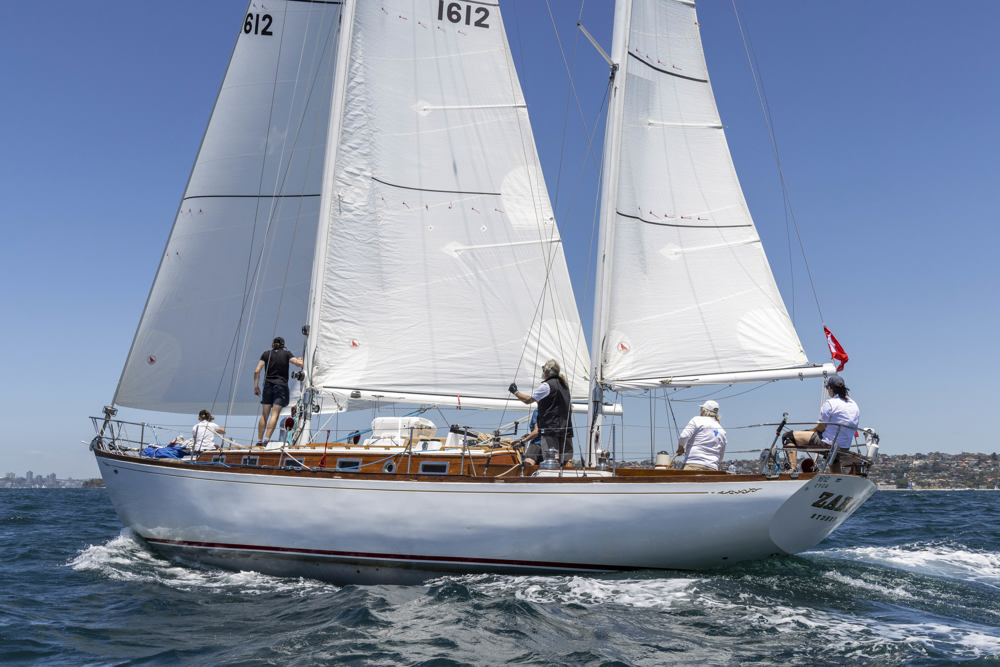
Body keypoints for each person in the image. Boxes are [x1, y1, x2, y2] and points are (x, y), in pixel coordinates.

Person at [784, 374, 860, 473]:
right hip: (845, 446)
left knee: (788, 436)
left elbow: (820, 428)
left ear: (830, 388)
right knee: (832, 452)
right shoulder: (853, 404)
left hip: (829, 443)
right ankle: (836, 476)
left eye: (828, 389)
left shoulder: (830, 403)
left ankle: (792, 470)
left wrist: (808, 432)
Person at [508, 360, 574, 466]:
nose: (542, 371)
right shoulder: (564, 386)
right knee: (567, 460)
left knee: (552, 458)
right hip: (566, 429)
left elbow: (528, 400)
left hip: (551, 430)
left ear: (547, 371)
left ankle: (553, 481)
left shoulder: (546, 386)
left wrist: (515, 392)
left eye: (543, 368)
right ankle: (569, 481)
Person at [253, 336, 303, 445]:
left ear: (273, 344)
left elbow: (257, 371)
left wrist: (256, 387)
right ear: (283, 345)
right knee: (274, 414)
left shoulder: (266, 354)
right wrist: (302, 360)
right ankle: (266, 440)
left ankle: (259, 441)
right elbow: (298, 363)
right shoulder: (287, 354)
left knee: (264, 415)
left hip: (267, 386)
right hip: (280, 386)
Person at [675, 400, 727, 471]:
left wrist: (680, 447)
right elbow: (721, 456)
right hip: (712, 468)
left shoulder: (697, 420)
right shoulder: (722, 430)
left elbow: (684, 436)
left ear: (704, 411)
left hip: (693, 464)